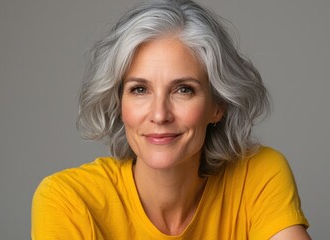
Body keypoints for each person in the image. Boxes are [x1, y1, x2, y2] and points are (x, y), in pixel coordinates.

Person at [31, 0, 310, 239]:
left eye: (183, 90)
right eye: (140, 90)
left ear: (218, 105)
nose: (160, 114)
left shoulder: (258, 175)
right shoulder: (67, 199)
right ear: (119, 104)